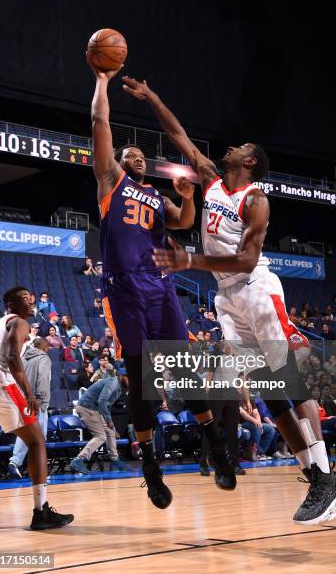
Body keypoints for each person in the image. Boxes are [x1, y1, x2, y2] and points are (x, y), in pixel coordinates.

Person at [124, 75, 336, 524]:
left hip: (257, 289)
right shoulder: (209, 178)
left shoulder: (255, 199)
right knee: (269, 393)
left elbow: (245, 261)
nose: (231, 147)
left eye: (241, 146)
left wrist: (190, 262)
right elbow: (177, 134)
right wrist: (152, 98)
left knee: (284, 378)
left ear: (250, 161)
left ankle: (326, 473)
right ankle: (316, 477)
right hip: (226, 299)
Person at [87, 62, 236, 509]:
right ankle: (151, 467)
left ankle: (217, 448)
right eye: (126, 154)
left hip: (161, 285)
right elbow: (100, 123)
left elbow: (185, 223)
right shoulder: (110, 182)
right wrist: (102, 80)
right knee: (141, 380)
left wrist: (188, 200)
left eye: (137, 156)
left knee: (186, 368)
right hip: (125, 287)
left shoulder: (156, 196)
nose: (133, 157)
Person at [0, 286, 73, 530]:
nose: (31, 301)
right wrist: (27, 391)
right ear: (11, 305)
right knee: (36, 441)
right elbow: (12, 355)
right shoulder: (19, 321)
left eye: (31, 297)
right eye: (25, 298)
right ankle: (41, 511)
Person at [8, 338, 52, 478]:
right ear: (44, 347)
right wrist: (41, 400)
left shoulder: (24, 358)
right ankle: (24, 465)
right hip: (37, 401)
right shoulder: (44, 358)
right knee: (39, 437)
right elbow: (43, 379)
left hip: (23, 400)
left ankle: (18, 464)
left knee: (28, 433)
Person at [70, 375, 130, 473]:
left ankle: (115, 459)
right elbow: (102, 401)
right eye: (129, 378)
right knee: (101, 436)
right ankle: (79, 460)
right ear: (122, 376)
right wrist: (108, 420)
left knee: (111, 432)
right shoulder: (113, 383)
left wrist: (113, 427)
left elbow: (107, 406)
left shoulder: (118, 388)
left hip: (96, 410)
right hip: (87, 407)